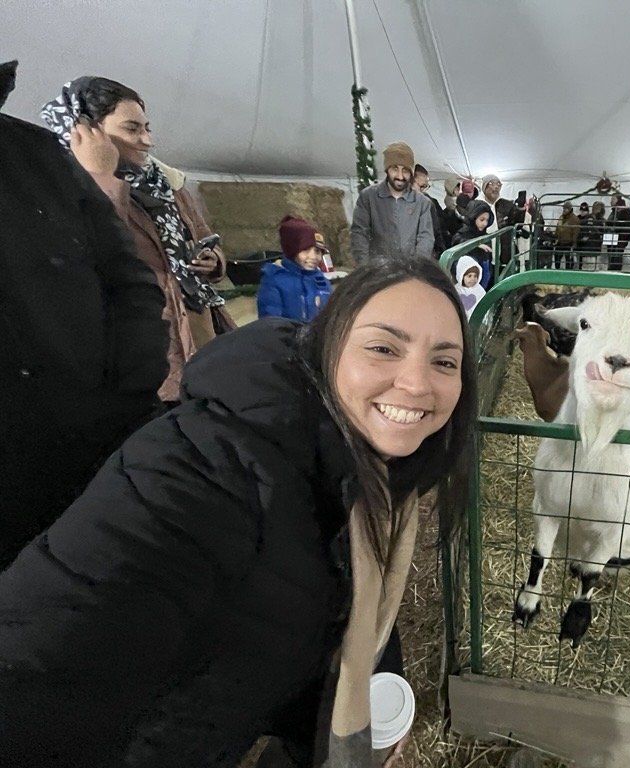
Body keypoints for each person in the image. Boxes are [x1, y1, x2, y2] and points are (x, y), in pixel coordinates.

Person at [0, 256, 477, 768]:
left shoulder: (369, 482)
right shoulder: (206, 467)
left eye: (444, 362)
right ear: (327, 342)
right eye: (384, 348)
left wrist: (373, 689)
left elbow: (341, 598)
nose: (416, 383)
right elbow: (42, 661)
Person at [0, 60, 168, 568]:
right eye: (132, 127)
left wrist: (127, 392)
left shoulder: (34, 155)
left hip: (94, 445)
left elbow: (130, 278)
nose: (147, 140)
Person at [40, 75, 230, 404]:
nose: (147, 140)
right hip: (146, 347)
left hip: (200, 334)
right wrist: (100, 177)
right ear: (86, 130)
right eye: (132, 128)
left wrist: (214, 260)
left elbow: (202, 235)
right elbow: (92, 255)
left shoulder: (166, 183)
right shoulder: (59, 188)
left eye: (147, 127)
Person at [350, 142, 435, 264]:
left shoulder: (422, 203)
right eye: (395, 168)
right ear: (387, 169)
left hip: (410, 272)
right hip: (377, 272)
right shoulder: (368, 197)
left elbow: (426, 239)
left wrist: (416, 269)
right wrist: (366, 268)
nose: (400, 176)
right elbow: (359, 234)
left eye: (405, 170)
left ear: (411, 173)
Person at [257, 215, 333, 322]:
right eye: (305, 250)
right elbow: (270, 324)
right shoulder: (274, 281)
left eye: (317, 251)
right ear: (292, 251)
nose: (313, 257)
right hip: (287, 337)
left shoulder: (321, 282)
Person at [452, 199, 495, 287]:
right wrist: (475, 245)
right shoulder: (463, 233)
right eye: (482, 220)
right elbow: (457, 241)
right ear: (473, 217)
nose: (485, 223)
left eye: (487, 220)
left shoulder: (485, 236)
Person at [414, 163, 447, 258]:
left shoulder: (429, 204)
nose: (423, 190)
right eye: (421, 186)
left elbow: (437, 233)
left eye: (426, 187)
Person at [605, 193, 630, 271]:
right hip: (612, 239)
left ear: (618, 200)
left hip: (619, 239)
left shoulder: (625, 211)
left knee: (616, 257)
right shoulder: (615, 211)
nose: (611, 201)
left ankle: (615, 271)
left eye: (613, 199)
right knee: (612, 257)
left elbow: (626, 227)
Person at [553, 201, 580, 269]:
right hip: (560, 242)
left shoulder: (574, 219)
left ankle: (568, 273)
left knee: (569, 261)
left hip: (569, 243)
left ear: (570, 209)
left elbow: (576, 232)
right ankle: (557, 271)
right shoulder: (561, 217)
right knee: (557, 258)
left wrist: (573, 244)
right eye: (564, 208)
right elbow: (557, 228)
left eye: (566, 208)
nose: (564, 209)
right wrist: (556, 238)